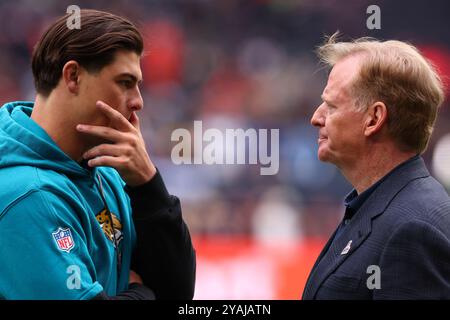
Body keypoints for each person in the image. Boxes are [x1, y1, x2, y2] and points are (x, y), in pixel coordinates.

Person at [0, 9, 195, 300]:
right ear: (73, 76)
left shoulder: (108, 172)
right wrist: (141, 293)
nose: (139, 102)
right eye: (125, 83)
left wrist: (148, 185)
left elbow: (177, 293)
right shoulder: (26, 195)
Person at [302, 33, 450, 299]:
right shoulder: (377, 205)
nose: (316, 117)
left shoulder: (413, 229)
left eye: (332, 106)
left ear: (374, 118)